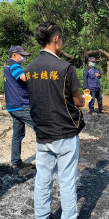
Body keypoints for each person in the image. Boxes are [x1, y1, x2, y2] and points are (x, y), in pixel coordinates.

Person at [25, 21, 85, 219]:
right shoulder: (65, 67)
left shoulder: (30, 68)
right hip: (65, 133)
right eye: (62, 40)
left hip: (42, 133)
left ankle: (41, 216)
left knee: (43, 178)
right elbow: (78, 101)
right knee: (66, 180)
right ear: (56, 39)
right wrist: (83, 98)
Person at [3, 45, 35, 169]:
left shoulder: (7, 66)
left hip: (12, 106)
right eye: (22, 55)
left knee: (18, 134)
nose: (24, 58)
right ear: (14, 55)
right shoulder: (14, 65)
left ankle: (16, 162)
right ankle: (48, 159)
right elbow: (24, 78)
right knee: (41, 127)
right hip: (21, 105)